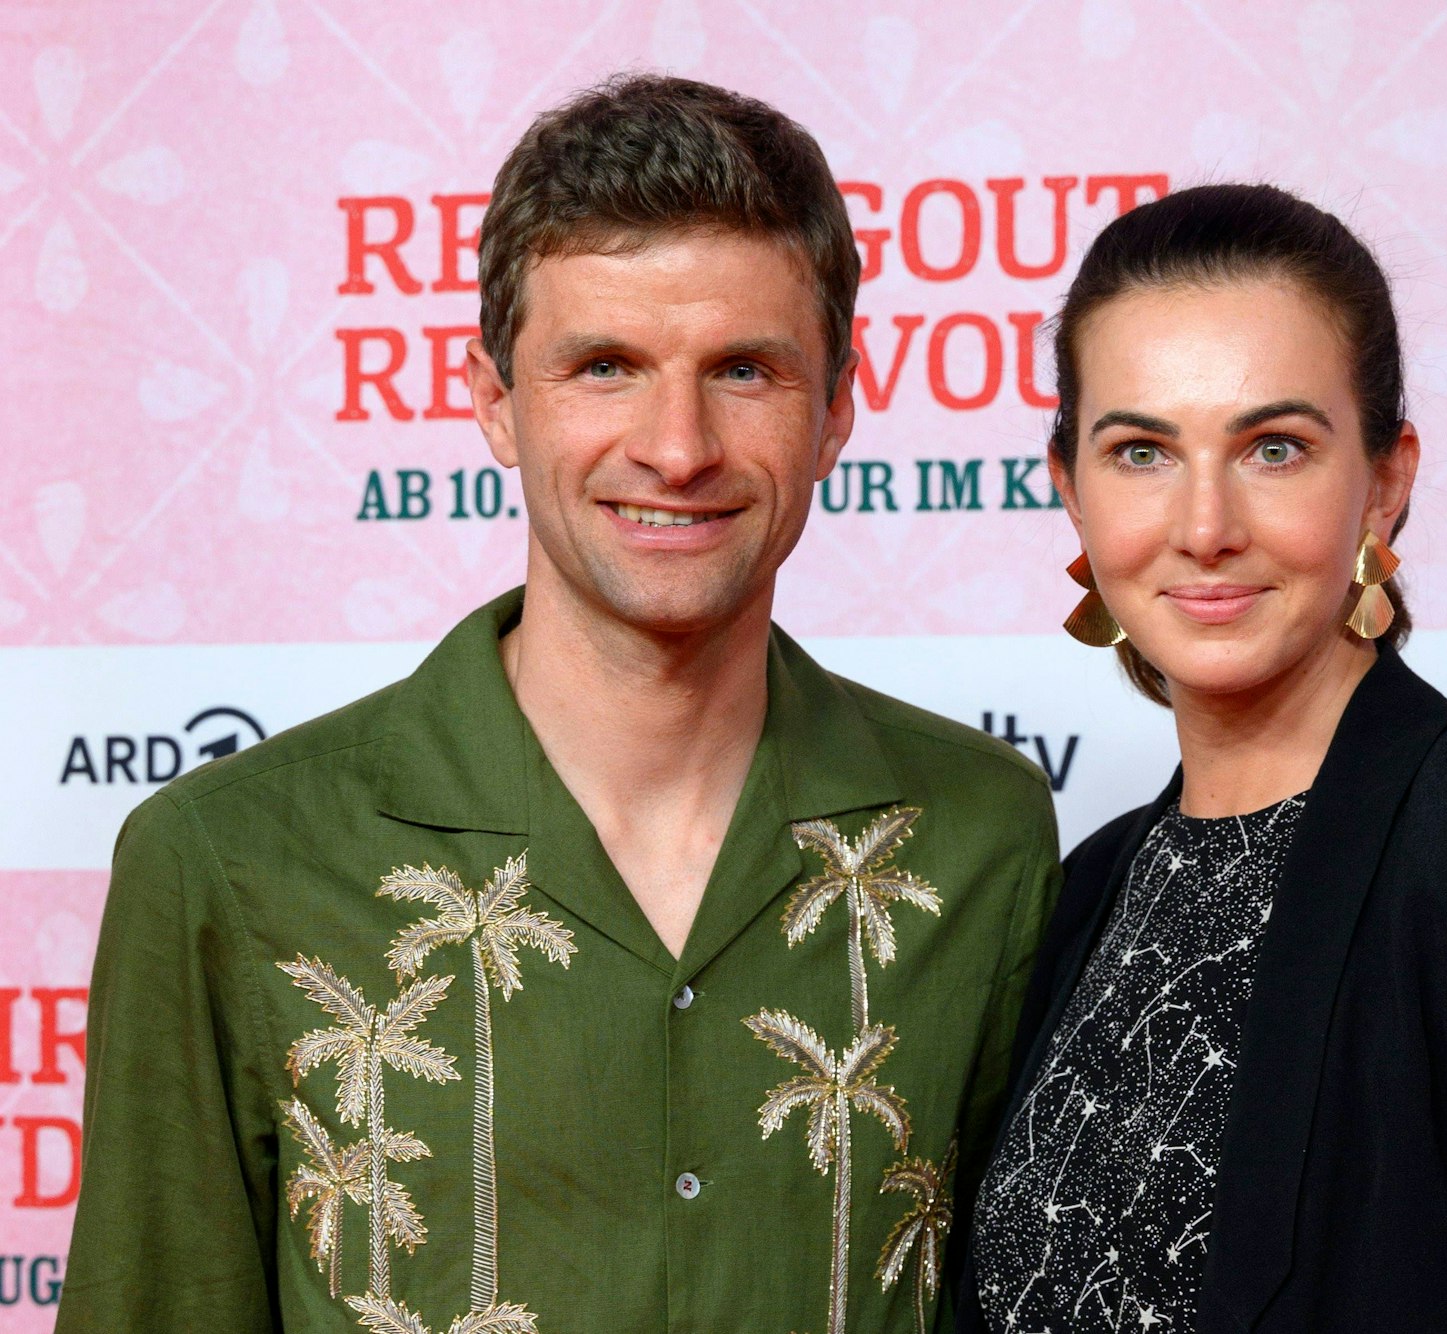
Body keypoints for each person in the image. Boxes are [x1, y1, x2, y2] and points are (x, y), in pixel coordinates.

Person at [61, 75, 1060, 1334]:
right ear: (493, 402)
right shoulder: (221, 856)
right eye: (605, 366)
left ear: (837, 410)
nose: (678, 445)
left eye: (745, 370)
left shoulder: (979, 834)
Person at [958, 184, 1447, 1333]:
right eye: (1141, 451)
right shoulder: (1088, 890)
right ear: (1069, 488)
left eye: (1274, 448)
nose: (1205, 523)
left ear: (1386, 479)